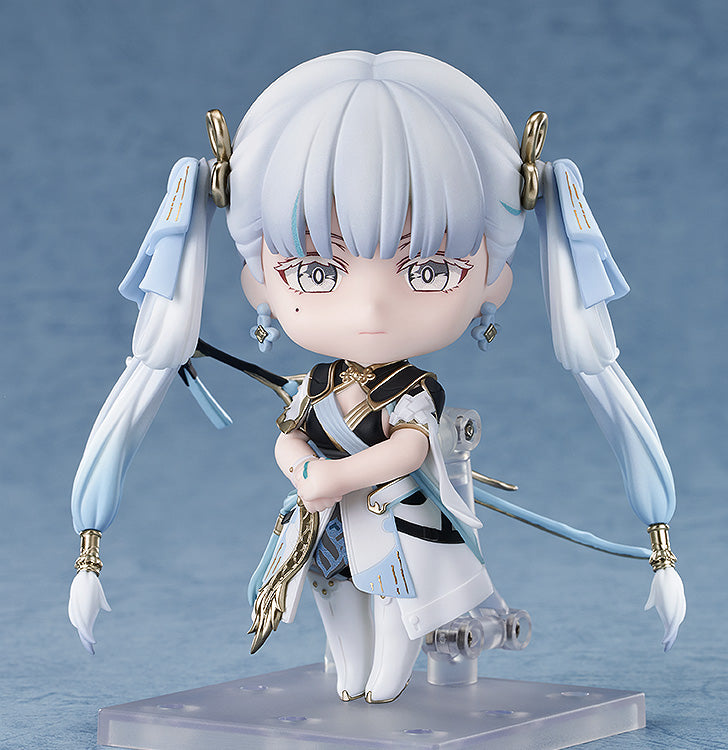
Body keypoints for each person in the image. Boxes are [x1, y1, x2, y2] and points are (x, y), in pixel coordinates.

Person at [68, 50, 686, 704]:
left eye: (427, 271)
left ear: (492, 284)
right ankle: (353, 677)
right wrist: (303, 468)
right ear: (258, 283)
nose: (370, 310)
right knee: (334, 598)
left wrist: (333, 477)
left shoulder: (413, 392)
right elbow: (290, 433)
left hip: (398, 519)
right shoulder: (318, 383)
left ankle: (386, 683)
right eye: (317, 272)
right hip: (326, 518)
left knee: (399, 605)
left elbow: (410, 449)